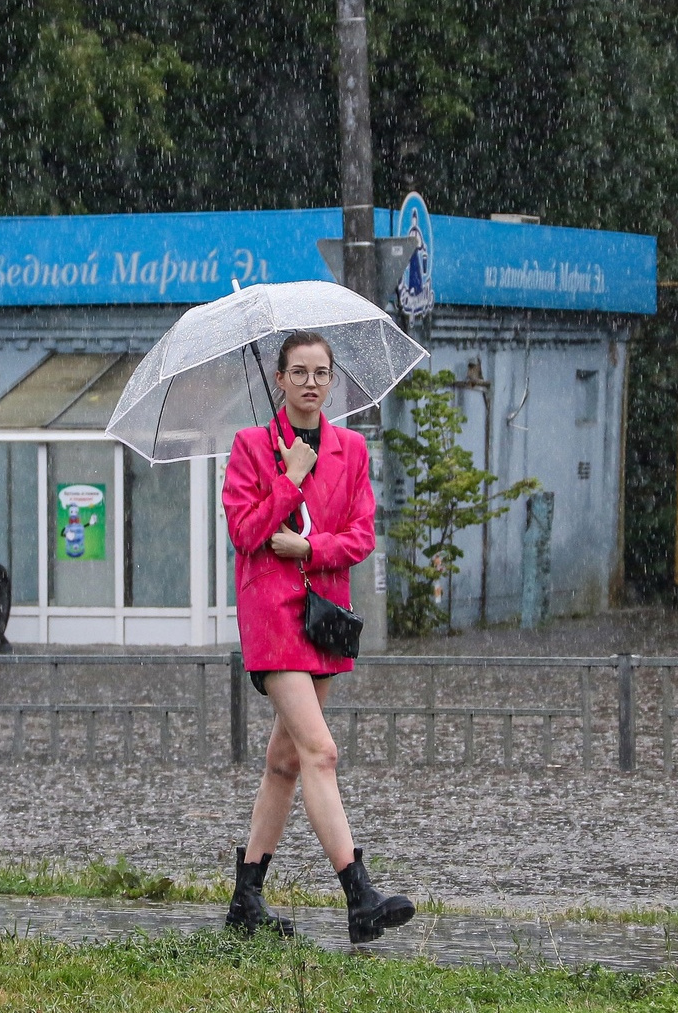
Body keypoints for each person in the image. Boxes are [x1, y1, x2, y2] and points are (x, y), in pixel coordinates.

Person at [219, 329, 415, 944]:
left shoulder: (352, 449)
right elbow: (245, 534)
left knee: (284, 763)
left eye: (321, 373)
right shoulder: (253, 447)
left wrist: (310, 546)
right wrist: (289, 479)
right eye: (298, 372)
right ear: (278, 380)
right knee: (321, 753)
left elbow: (361, 534)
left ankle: (245, 900)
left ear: (333, 382)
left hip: (324, 618)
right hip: (274, 620)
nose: (310, 383)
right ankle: (359, 896)